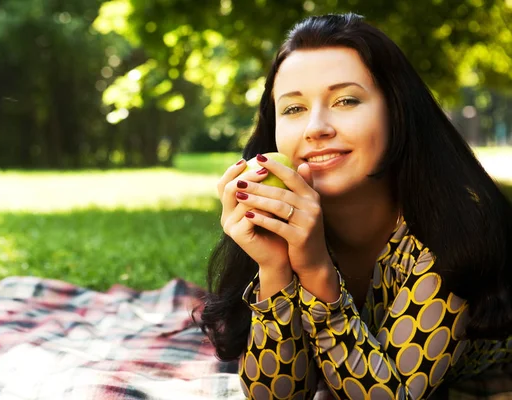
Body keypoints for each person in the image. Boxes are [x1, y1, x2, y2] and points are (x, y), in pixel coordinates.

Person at [200, 13, 512, 399]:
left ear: (396, 111)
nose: (316, 127)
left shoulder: (455, 224)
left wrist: (315, 270)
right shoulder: (280, 219)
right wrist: (274, 266)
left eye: (346, 100)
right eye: (294, 109)